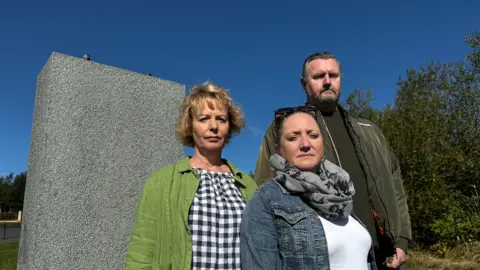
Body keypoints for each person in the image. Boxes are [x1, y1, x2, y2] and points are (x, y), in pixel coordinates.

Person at [253, 52, 411, 269]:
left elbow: (396, 186)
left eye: (333, 75)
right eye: (319, 76)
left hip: (381, 253)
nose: (327, 81)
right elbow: (264, 187)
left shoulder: (369, 130)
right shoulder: (283, 128)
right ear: (304, 83)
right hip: (322, 255)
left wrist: (402, 240)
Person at [124, 82, 257, 270]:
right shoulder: (162, 182)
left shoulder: (248, 185)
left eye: (221, 119)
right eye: (204, 119)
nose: (214, 126)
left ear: (230, 127)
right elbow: (141, 251)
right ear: (190, 125)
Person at [241, 107, 377, 269]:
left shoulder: (341, 192)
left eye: (313, 135)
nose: (305, 144)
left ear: (322, 143)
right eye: (293, 137)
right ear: (279, 150)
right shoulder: (266, 200)